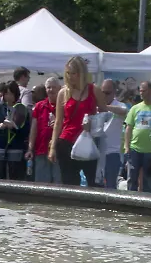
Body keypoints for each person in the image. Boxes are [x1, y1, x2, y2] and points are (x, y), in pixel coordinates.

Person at [49, 56, 115, 187]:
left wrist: (93, 123)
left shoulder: (93, 90)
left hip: (88, 141)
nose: (71, 76)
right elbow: (58, 122)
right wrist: (52, 147)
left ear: (82, 72)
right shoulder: (63, 92)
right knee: (69, 184)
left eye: (74, 73)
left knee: (93, 183)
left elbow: (105, 114)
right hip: (66, 141)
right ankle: (70, 207)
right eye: (68, 73)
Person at [123, 82, 151, 192]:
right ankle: (130, 201)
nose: (141, 93)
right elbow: (128, 128)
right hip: (134, 149)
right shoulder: (135, 108)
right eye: (140, 91)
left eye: (144, 90)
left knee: (148, 179)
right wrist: (127, 147)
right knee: (131, 178)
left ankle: (147, 203)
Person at [0, 81, 30, 180]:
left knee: (14, 176)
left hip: (15, 147)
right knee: (0, 176)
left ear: (16, 94)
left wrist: (14, 127)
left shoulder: (21, 109)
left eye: (11, 93)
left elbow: (25, 131)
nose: (8, 96)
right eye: (6, 93)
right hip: (0, 146)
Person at [27, 77, 62, 183]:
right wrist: (30, 148)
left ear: (60, 89)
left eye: (54, 87)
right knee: (41, 185)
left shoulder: (64, 106)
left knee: (58, 183)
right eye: (48, 87)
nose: (51, 90)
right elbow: (33, 129)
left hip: (59, 151)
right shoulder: (39, 106)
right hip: (41, 150)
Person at [99, 79, 128, 189]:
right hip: (97, 153)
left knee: (110, 186)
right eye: (102, 92)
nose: (105, 95)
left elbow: (124, 111)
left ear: (114, 93)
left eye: (108, 93)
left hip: (112, 153)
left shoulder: (119, 105)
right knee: (96, 185)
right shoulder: (96, 106)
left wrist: (105, 107)